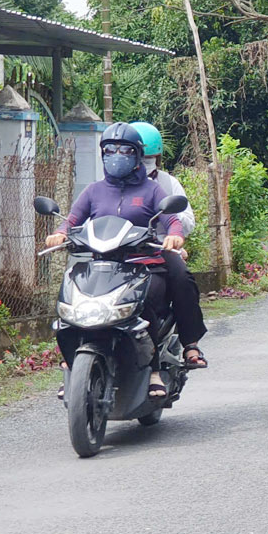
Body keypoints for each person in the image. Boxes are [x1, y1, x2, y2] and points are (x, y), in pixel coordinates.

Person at [45, 123, 208, 398]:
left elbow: (172, 220)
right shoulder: (94, 191)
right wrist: (60, 233)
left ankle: (156, 367)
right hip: (103, 263)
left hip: (144, 262)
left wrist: (175, 236)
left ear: (136, 156)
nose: (116, 155)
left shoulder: (154, 189)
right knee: (71, 298)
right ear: (103, 154)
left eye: (124, 150)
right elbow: (73, 219)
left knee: (148, 301)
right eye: (110, 150)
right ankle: (73, 365)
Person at [130, 121, 196, 237]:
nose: (143, 165)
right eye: (139, 159)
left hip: (159, 248)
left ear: (157, 158)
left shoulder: (168, 183)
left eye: (148, 158)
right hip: (121, 249)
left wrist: (169, 210)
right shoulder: (111, 186)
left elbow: (188, 225)